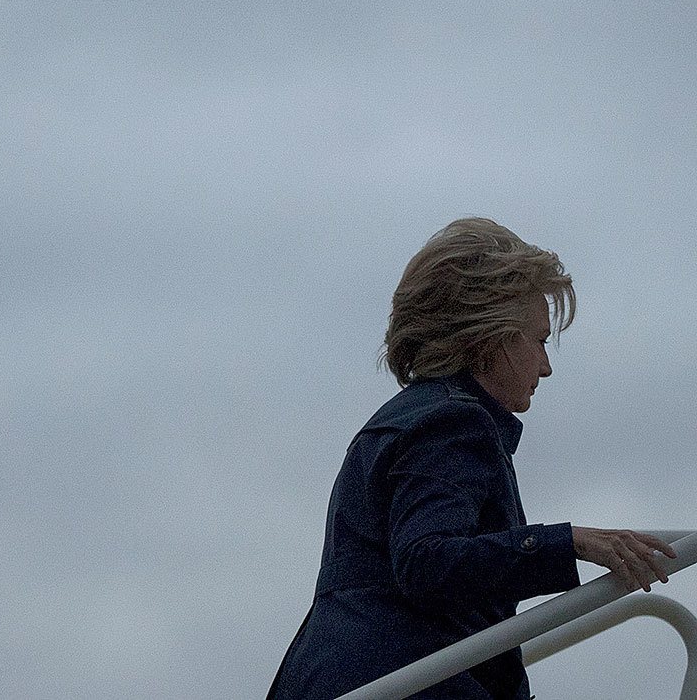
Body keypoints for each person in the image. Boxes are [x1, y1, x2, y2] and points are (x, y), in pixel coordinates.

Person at [266, 217, 677, 699]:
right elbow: (426, 562)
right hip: (403, 680)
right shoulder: (452, 424)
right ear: (491, 335)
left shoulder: (404, 419)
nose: (545, 366)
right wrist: (571, 544)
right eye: (540, 340)